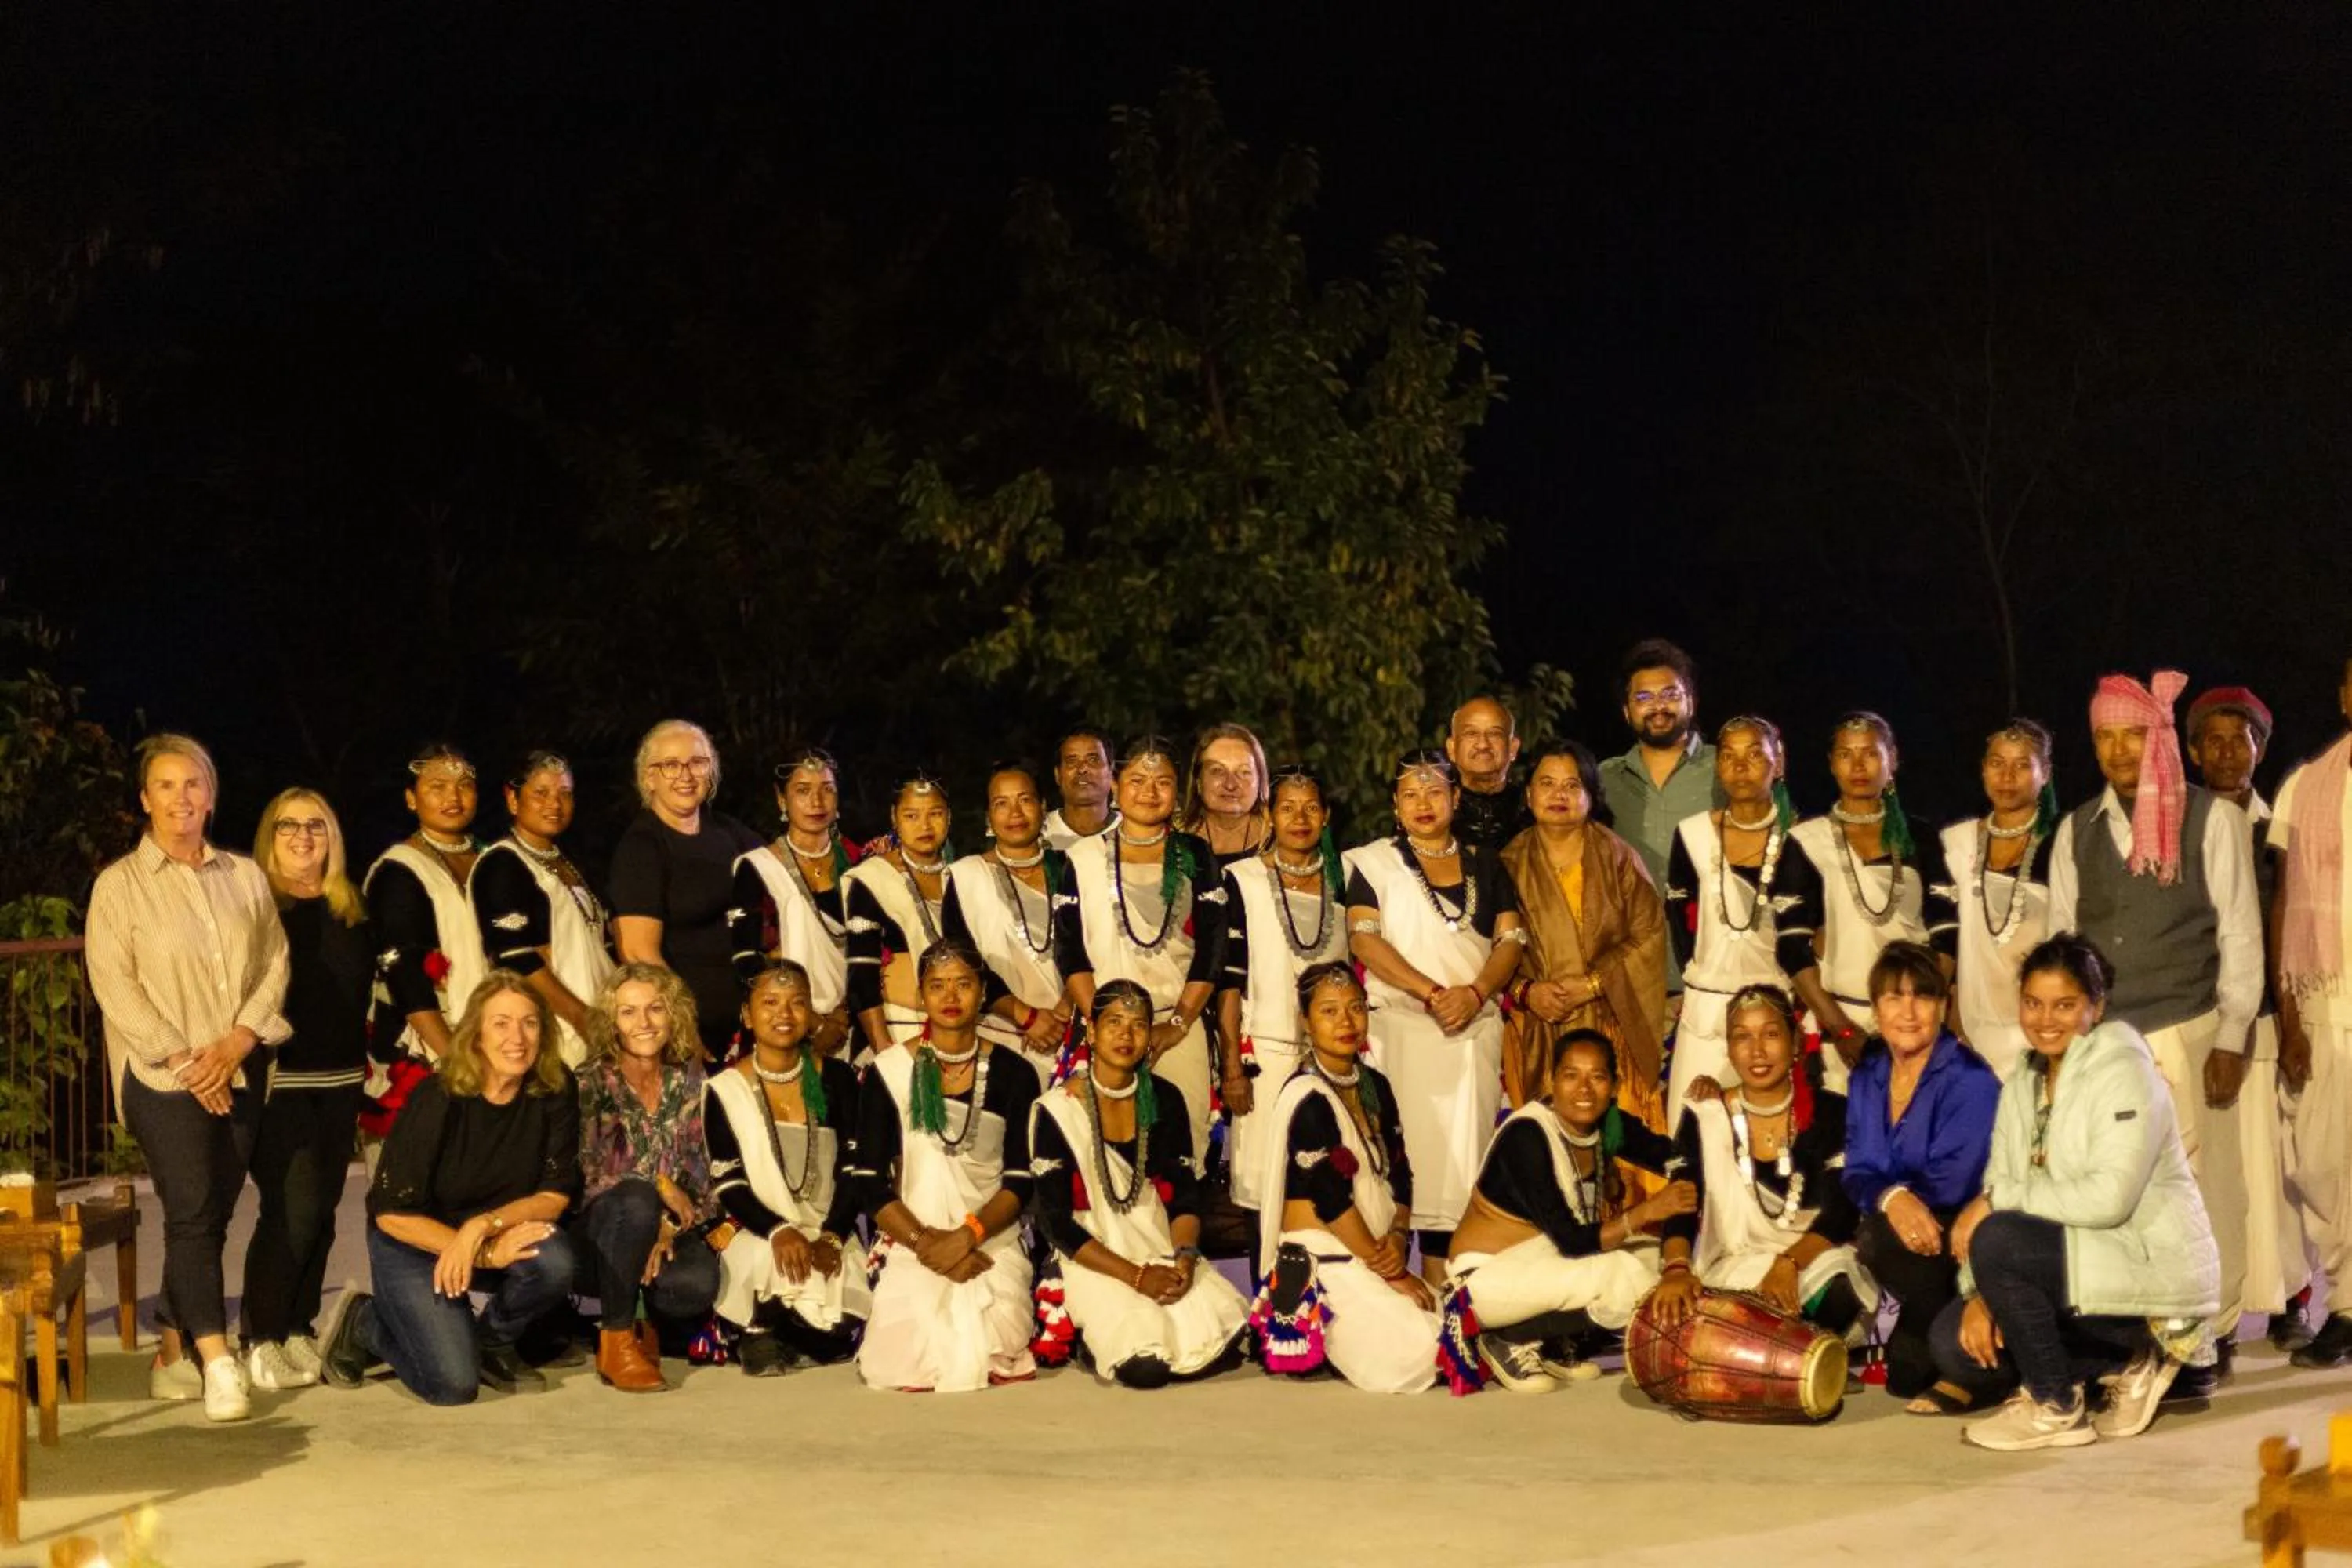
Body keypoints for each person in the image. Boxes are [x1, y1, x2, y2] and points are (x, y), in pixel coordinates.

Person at [2048, 670, 2260, 1392]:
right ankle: (2143, 1334)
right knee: (2126, 1194)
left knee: (2206, 1192)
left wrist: (2231, 1035)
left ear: (2159, 738)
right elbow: (2063, 940)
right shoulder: (2076, 829)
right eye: (2104, 738)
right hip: (2110, 1042)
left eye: (2131, 735)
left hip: (2189, 1027)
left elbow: (2239, 933)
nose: (2117, 751)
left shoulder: (2212, 820)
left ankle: (2211, 1334)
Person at [1931, 935, 2220, 1451]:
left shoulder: (2126, 1072)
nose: (2045, 1020)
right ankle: (2119, 1365)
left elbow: (2107, 1200)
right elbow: (2001, 1179)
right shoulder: (2023, 1080)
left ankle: (2058, 1404)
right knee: (1952, 1343)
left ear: (2097, 1006)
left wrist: (1997, 1206)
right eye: (2033, 1003)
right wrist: (1982, 1293)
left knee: (1998, 1237)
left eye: (2065, 1005)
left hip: (2146, 1265)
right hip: (2076, 1260)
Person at [85, 733, 290, 1421]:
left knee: (214, 1213)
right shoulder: (118, 886)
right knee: (192, 1209)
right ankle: (217, 1361)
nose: (181, 797)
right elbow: (115, 985)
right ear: (145, 800)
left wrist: (238, 1040)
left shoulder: (244, 876)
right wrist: (183, 1060)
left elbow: (274, 962)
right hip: (159, 1077)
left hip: (238, 1066)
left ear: (211, 796)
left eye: (193, 783)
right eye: (166, 785)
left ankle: (171, 1347)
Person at [320, 972, 583, 1405]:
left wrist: (482, 1228)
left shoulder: (555, 1086)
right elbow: (391, 1212)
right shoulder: (438, 1095)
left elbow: (554, 1196)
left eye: (530, 1023)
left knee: (553, 1260)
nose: (517, 1038)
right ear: (476, 1034)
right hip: (414, 1240)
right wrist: (481, 1252)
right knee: (452, 1385)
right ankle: (367, 1322)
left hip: (491, 1232)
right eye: (501, 1023)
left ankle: (493, 1342)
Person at [1345, 750, 1526, 1287]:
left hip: (1472, 1031)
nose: (1423, 803)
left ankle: (1457, 1295)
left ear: (1456, 798)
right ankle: (1405, 1295)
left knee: (1465, 1166)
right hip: (1402, 1033)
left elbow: (1511, 940)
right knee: (1407, 1164)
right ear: (1395, 806)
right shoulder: (1374, 865)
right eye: (1410, 794)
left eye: (1434, 791)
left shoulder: (1486, 863)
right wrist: (1432, 993)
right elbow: (1364, 940)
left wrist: (1476, 992)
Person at [1446, 1029, 1693, 1392]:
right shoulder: (1527, 1135)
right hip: (1485, 1282)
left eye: (1597, 1077)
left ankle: (1552, 1340)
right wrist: (1647, 1212)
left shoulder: (1607, 1122)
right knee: (1622, 1272)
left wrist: (1710, 1118)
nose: (1584, 1089)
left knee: (1658, 1259)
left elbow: (1677, 1160)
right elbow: (1572, 1241)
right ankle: (1508, 1337)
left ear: (1614, 1085)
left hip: (1547, 1265)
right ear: (1552, 1080)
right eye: (1571, 1075)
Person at [1030, 982, 1250, 1386]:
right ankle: (1088, 1334)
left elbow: (1184, 1197)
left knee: (1223, 1332)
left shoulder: (1165, 1098)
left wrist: (1184, 1259)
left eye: (1138, 1025)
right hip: (1092, 1257)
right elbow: (1056, 1223)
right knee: (1145, 1365)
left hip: (1158, 1247)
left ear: (1151, 1034)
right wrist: (1135, 1277)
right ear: (1091, 1031)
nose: (1126, 1035)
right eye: (1113, 1023)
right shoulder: (1059, 1109)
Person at [852, 938, 1044, 1392]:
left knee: (1000, 1337)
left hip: (990, 1238)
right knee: (898, 1359)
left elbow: (1020, 1179)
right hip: (912, 1236)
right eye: (937, 986)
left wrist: (966, 1237)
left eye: (963, 984)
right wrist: (927, 1245)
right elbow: (869, 1182)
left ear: (983, 992)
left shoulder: (1016, 1073)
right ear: (921, 996)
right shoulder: (889, 1071)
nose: (950, 996)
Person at [1248, 963, 1438, 1395]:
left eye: (1356, 1008)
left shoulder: (1376, 1086)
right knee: (1423, 1349)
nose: (1347, 1022)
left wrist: (1398, 1237)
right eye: (1330, 1011)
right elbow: (1330, 1198)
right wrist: (1391, 1271)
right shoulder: (1307, 1098)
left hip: (1374, 1249)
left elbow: (1400, 1172)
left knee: (1445, 1323)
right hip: (1327, 1258)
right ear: (1305, 1021)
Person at [1652, 984, 1875, 1348]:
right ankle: (1770, 1345)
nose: (1757, 1051)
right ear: (1729, 1049)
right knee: (1681, 1304)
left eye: (1771, 1034)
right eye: (1743, 1037)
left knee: (1839, 1289)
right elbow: (1682, 1200)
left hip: (1812, 1261)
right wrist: (1676, 1268)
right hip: (1735, 1264)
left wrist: (1788, 1264)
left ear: (1795, 1042)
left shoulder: (1834, 1111)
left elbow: (1842, 1212)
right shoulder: (1707, 1116)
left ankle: (1766, 1345)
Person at [241, 787, 372, 1393]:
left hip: (342, 1082)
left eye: (315, 825)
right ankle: (259, 1337)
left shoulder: (352, 907)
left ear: (331, 837)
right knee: (290, 1211)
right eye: (288, 826)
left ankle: (297, 1325)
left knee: (322, 1213)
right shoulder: (258, 908)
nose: (302, 836)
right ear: (270, 837)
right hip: (282, 1083)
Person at [2187, 685, 2307, 1349]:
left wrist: (2291, 1020)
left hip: (2266, 1019)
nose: (2229, 753)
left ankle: (2288, 1298)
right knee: (2215, 1175)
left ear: (2261, 748)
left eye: (2243, 740)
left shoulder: (2277, 831)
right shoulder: (2180, 828)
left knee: (2275, 1170)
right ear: (2193, 752)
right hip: (2203, 1021)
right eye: (2216, 741)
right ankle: (2221, 1307)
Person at [1841, 941, 2002, 1408]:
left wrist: (1897, 1203)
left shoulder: (1970, 1077)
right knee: (1906, 1380)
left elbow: (1955, 1182)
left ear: (1943, 1005)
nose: (1909, 1013)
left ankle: (1971, 1350)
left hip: (1963, 1231)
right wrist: (1892, 1198)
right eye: (1894, 998)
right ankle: (1934, 1339)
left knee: (1881, 1235)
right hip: (1902, 1229)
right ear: (1876, 1009)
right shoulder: (1868, 1073)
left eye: (1923, 997)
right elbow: (1857, 1171)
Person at [1056, 736, 1229, 1163]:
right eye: (1137, 780)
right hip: (1103, 1030)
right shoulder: (1083, 857)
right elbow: (1070, 950)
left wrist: (1178, 1024)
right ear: (1115, 785)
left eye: (1162, 782)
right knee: (1103, 1154)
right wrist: (1104, 1023)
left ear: (1178, 791)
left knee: (1182, 1150)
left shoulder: (1194, 854)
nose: (1149, 792)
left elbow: (1213, 948)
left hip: (1176, 1025)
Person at [1660, 717, 1837, 1126]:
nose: (1741, 767)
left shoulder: (1806, 838)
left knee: (1775, 1137)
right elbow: (1681, 928)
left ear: (1779, 763)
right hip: (1706, 1014)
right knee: (1695, 1134)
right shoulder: (1692, 835)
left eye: (1755, 754)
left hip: (1777, 1014)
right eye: (1729, 756)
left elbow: (1819, 933)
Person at [706, 961, 869, 1375]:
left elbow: (853, 1168)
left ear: (811, 1014)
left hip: (827, 1228)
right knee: (767, 1263)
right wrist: (779, 1230)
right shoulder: (726, 1088)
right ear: (747, 1015)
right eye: (770, 1002)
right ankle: (759, 1328)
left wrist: (833, 1235)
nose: (784, 1014)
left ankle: (787, 1328)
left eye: (797, 1003)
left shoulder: (837, 1077)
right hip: (759, 1230)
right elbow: (729, 1181)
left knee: (841, 1326)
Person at [1497, 741, 1669, 1129]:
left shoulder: (1618, 857)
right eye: (1547, 783)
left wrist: (1592, 984)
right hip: (1538, 1027)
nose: (1559, 794)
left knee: (1623, 1148)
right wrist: (1528, 992)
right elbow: (1491, 950)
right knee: (1546, 1142)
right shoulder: (1508, 864)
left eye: (1572, 785)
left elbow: (1649, 935)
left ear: (1591, 796)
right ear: (1529, 794)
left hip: (1612, 1022)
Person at [572, 964, 723, 1392]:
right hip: (601, 1229)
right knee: (636, 1201)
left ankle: (648, 1326)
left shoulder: (689, 1077)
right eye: (628, 1012)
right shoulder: (589, 1082)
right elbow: (586, 1173)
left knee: (693, 1286)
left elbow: (701, 1169)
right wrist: (657, 1187)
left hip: (668, 1228)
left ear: (673, 1014)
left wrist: (668, 1225)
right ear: (612, 1023)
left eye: (655, 1009)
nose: (644, 1022)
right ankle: (617, 1340)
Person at [1218, 765, 1350, 1220]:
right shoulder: (1242, 879)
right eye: (1288, 808)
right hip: (1266, 1057)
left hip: (1335, 1057)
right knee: (1266, 1194)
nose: (1300, 819)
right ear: (1269, 816)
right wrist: (1232, 1067)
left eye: (1311, 807)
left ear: (1326, 815)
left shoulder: (1345, 877)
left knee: (1330, 1187)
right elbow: (1230, 982)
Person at [2270, 657, 2352, 1367]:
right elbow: (2284, 900)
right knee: (2322, 1165)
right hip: (2324, 999)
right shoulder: (2306, 784)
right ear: (2345, 696)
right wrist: (2290, 1017)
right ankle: (2348, 1300)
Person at [608, 719, 765, 1064]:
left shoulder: (727, 831)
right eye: (670, 765)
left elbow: (783, 873)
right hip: (691, 1037)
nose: (685, 775)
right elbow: (637, 951)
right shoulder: (642, 847)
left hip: (750, 1029)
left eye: (697, 762)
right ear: (649, 778)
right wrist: (683, 1027)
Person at [1789, 713, 1933, 1087]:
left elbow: (1946, 936)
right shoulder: (1807, 841)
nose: (1857, 766)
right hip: (1838, 1028)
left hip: (1916, 1022)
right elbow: (1791, 947)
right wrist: (1842, 1029)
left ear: (1892, 759)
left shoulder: (1921, 837)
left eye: (1870, 753)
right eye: (1845, 754)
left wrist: (1925, 1014)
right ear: (1831, 764)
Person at [361, 743, 489, 1140]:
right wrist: (456, 1060)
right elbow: (404, 976)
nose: (453, 797)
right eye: (437, 787)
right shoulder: (398, 870)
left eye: (464, 786)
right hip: (429, 1048)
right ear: (411, 798)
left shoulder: (495, 858)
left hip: (500, 1038)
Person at [1597, 639, 1726, 1009]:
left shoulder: (1725, 768)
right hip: (1629, 977)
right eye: (1644, 698)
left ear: (1692, 701)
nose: (1658, 706)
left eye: (1670, 694)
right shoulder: (1604, 780)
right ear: (1626, 712)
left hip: (1714, 974)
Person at [1929, 720, 2061, 1078]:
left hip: (2043, 1026)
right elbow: (1945, 935)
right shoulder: (1956, 843)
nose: (2007, 777)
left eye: (2022, 765)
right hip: (1971, 1029)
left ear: (2045, 772)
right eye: (1997, 763)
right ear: (1983, 769)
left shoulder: (2062, 843)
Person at [469, 751, 612, 1070]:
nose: (554, 804)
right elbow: (516, 958)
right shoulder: (503, 864)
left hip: (599, 1021)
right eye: (541, 793)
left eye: (565, 793)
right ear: (513, 799)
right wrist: (580, 1017)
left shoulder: (569, 859)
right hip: (554, 1032)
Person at [942, 764, 1074, 1079]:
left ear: (1043, 807)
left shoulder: (1072, 868)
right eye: (1001, 803)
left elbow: (1095, 944)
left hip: (1074, 1032)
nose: (1015, 813)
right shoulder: (966, 877)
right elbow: (964, 962)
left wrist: (1066, 1008)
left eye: (1025, 800)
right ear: (989, 816)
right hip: (999, 1035)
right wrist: (1026, 1016)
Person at [729, 748, 858, 1059]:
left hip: (856, 1024)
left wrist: (843, 1016)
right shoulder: (757, 867)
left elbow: (875, 953)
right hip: (784, 1025)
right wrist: (813, 1023)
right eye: (803, 791)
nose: (817, 802)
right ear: (781, 800)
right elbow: (747, 959)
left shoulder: (860, 861)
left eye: (827, 790)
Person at [844, 773, 956, 1058]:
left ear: (949, 817)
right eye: (911, 816)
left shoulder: (962, 876)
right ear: (894, 818)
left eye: (935, 814)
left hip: (962, 1031)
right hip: (897, 1032)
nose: (925, 826)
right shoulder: (872, 879)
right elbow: (861, 976)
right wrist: (886, 1054)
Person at [1180, 721, 1272, 866]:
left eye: (1244, 772)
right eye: (1217, 771)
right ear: (1198, 781)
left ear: (1260, 780)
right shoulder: (1173, 840)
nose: (1230, 785)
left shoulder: (1283, 840)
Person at [1446, 696, 1530, 852]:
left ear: (1513, 748)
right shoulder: (1435, 809)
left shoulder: (1531, 808)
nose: (1483, 745)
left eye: (1494, 734)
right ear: (1452, 748)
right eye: (1471, 734)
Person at [1042, 726, 1119, 850]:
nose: (1082, 769)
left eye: (1093, 760)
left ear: (1111, 770)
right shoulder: (1039, 833)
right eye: (1072, 761)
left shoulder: (1133, 831)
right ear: (1058, 775)